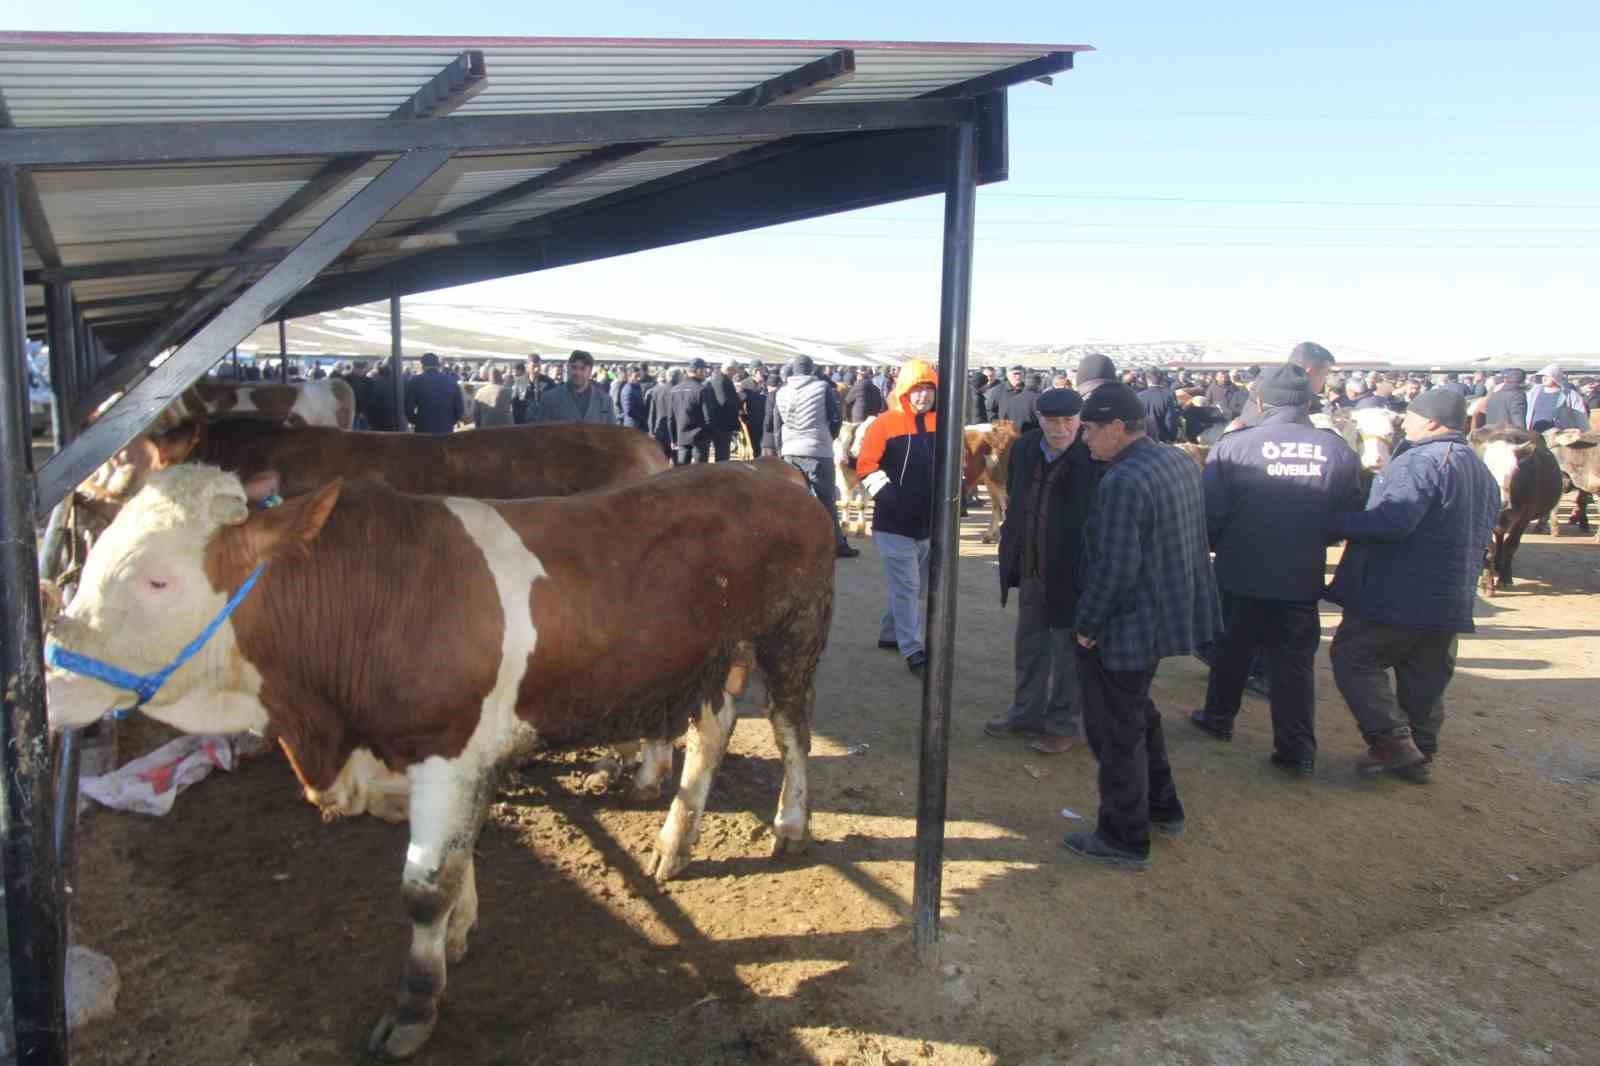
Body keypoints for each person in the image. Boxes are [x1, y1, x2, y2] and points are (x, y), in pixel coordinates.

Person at [1064, 382, 1221, 870]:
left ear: (1115, 427)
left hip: (1127, 624)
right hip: (1164, 613)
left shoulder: (1122, 481)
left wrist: (1087, 626)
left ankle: (1124, 837)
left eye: (1089, 429)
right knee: (1137, 713)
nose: (1084, 438)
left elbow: (1115, 567)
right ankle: (1162, 806)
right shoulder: (1176, 461)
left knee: (1116, 729)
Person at [1187, 364, 1363, 774]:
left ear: (1261, 402)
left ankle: (1218, 718)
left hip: (1240, 569)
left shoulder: (1234, 446)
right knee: (1294, 663)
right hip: (1299, 574)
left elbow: (1210, 514)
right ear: (1308, 401)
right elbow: (1348, 513)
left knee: (1231, 649)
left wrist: (1217, 546)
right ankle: (1296, 750)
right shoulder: (1335, 449)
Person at [1326, 388, 1500, 783]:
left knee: (1354, 657)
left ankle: (1393, 743)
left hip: (1399, 592)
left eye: (1414, 414)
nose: (1406, 420)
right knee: (1425, 675)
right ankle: (1420, 752)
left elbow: (1392, 522)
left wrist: (1335, 522)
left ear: (1434, 421)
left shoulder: (1420, 462)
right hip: (1451, 598)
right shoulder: (1479, 469)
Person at [989, 387, 1102, 754]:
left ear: (1080, 420)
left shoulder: (1092, 455)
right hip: (1032, 566)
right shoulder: (1024, 448)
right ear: (1040, 419)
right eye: (1052, 421)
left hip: (1072, 573)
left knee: (1068, 651)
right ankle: (1025, 712)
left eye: (1068, 421)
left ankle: (1063, 725)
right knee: (1030, 643)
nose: (1060, 429)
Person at [857, 360, 941, 674]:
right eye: (917, 390)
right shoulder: (884, 424)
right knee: (907, 586)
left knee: (913, 586)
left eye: (928, 390)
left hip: (928, 521)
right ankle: (913, 648)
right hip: (894, 522)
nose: (923, 396)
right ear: (904, 391)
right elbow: (866, 465)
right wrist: (889, 497)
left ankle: (891, 633)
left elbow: (954, 461)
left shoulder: (941, 424)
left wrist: (955, 489)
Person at [775, 355, 857, 559]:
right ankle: (835, 543)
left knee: (793, 500)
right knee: (826, 499)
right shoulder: (822, 388)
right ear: (812, 369)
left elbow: (777, 424)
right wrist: (829, 438)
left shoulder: (782, 391)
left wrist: (782, 448)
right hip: (817, 450)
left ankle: (792, 543)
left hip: (790, 450)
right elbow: (836, 417)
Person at [537, 350, 615, 424]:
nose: (578, 372)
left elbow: (612, 434)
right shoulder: (549, 399)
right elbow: (541, 433)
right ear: (568, 368)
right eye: (574, 367)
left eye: (583, 368)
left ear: (590, 371)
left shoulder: (605, 401)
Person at [404, 352, 463, 435]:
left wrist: (417, 421)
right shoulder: (452, 381)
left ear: (422, 365)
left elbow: (408, 409)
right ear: (438, 365)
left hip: (423, 430)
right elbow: (459, 410)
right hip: (446, 430)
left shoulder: (415, 381)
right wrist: (448, 422)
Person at [670, 358, 713, 464]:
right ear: (698, 370)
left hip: (682, 437)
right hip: (699, 438)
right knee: (700, 473)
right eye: (704, 370)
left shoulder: (674, 389)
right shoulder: (701, 389)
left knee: (682, 472)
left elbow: (671, 418)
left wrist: (674, 438)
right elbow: (708, 417)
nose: (706, 373)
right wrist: (709, 435)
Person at [702, 359, 744, 461]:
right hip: (723, 424)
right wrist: (739, 399)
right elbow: (724, 402)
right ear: (729, 369)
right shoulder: (722, 381)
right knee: (723, 454)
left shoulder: (716, 379)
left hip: (717, 423)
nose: (735, 374)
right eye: (734, 371)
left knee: (721, 453)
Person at [1526, 364, 1588, 432]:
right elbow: (1527, 410)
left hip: (1559, 435)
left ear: (1556, 377)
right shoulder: (1534, 391)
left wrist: (1584, 431)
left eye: (1548, 376)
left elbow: (1581, 415)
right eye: (1543, 375)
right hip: (1535, 433)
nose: (1544, 378)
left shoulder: (1570, 395)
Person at [1137, 369, 1180, 443]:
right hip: (1161, 438)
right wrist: (1172, 437)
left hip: (1143, 437)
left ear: (1148, 380)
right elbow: (1170, 419)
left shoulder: (1139, 396)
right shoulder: (1168, 396)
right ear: (1162, 380)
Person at [512, 354, 554, 424]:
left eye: (538, 366)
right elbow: (515, 406)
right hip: (524, 424)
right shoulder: (520, 382)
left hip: (544, 424)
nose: (537, 369)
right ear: (527, 366)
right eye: (534, 366)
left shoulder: (549, 383)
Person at [644, 371, 676, 460]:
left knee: (662, 458)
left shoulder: (654, 391)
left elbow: (651, 412)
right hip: (672, 430)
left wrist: (651, 430)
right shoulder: (675, 390)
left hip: (660, 429)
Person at [617, 365, 648, 431]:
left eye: (639, 376)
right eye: (636, 376)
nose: (638, 378)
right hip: (632, 426)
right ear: (629, 376)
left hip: (640, 425)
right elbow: (629, 411)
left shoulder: (637, 387)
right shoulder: (627, 390)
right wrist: (642, 418)